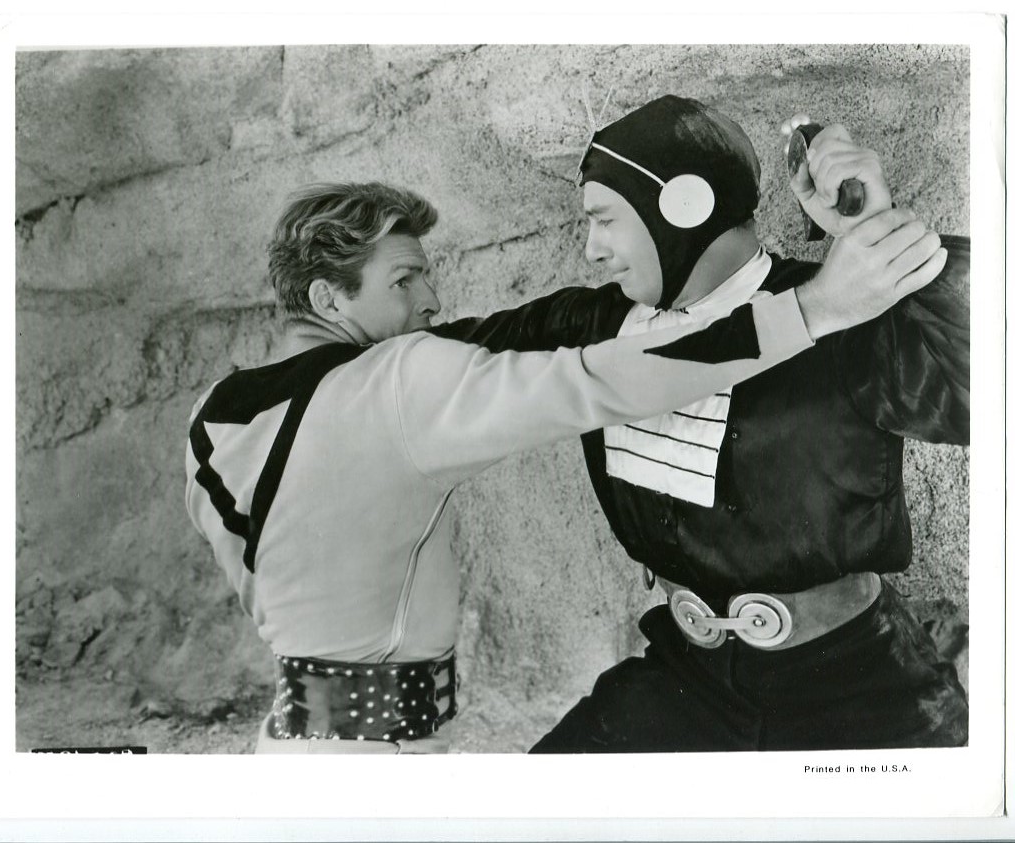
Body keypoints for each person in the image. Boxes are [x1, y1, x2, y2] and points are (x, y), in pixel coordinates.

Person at [183, 170, 938, 753]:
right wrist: (815, 308)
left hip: (295, 736)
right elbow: (601, 381)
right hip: (385, 757)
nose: (431, 300)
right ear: (327, 297)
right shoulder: (398, 380)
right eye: (403, 280)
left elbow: (270, 576)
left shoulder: (213, 416)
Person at [458, 95, 970, 751]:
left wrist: (879, 226)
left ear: (683, 205)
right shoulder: (590, 324)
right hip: (685, 677)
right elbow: (445, 361)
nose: (591, 250)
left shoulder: (844, 310)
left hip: (859, 682)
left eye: (605, 220)